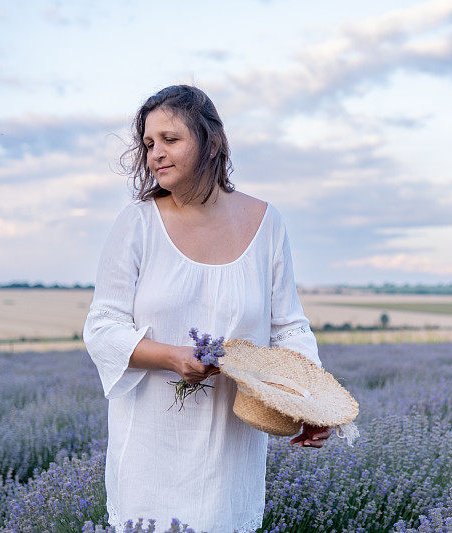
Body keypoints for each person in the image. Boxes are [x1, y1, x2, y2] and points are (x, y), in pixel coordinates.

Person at [82, 84, 332, 532]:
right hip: (150, 447)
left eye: (171, 140)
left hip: (229, 453)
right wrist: (171, 357)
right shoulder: (137, 224)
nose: (156, 152)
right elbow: (102, 327)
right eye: (149, 144)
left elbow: (289, 328)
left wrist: (310, 401)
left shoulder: (267, 223)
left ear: (212, 141)